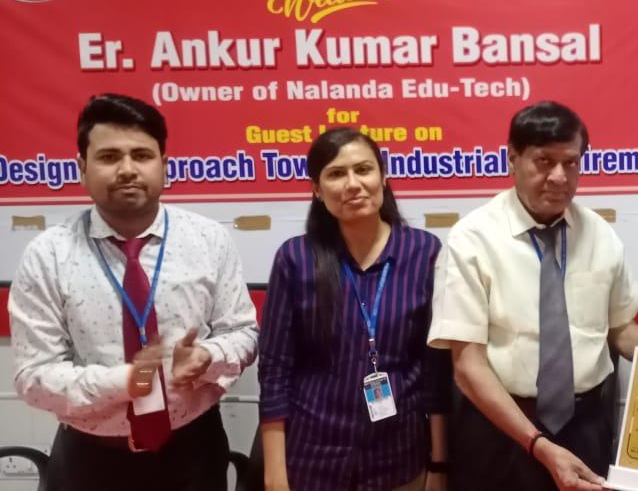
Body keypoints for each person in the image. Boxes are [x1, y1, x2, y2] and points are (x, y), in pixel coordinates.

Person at [427, 101, 638, 491]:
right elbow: (467, 367)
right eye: (544, 161)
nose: (559, 177)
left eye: (571, 163)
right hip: (501, 429)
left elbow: (619, 327)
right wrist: (538, 444)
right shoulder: (472, 239)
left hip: (585, 425)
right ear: (513, 159)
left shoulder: (599, 234)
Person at [9, 93, 259, 490]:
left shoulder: (209, 240)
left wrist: (208, 356)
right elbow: (33, 377)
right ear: (82, 168)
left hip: (193, 452)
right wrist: (124, 381)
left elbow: (244, 333)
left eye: (141, 156)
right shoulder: (49, 255)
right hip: (90, 460)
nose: (127, 170)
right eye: (109, 157)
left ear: (164, 165)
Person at [258, 127, 450, 491]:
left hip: (399, 461)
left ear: (383, 175)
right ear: (317, 189)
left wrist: (439, 464)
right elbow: (275, 371)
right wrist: (275, 475)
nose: (352, 184)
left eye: (363, 169)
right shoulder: (296, 258)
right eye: (335, 174)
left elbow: (435, 369)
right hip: (313, 463)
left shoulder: (423, 252)